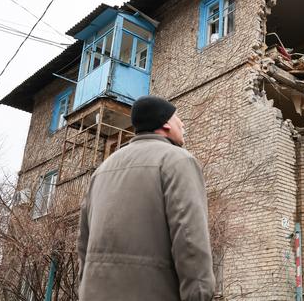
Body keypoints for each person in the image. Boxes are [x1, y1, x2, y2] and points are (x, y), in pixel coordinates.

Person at [77, 95, 215, 301]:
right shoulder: (177, 160)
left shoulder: (102, 169)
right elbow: (189, 238)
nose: (183, 124)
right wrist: (200, 295)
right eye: (178, 118)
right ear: (166, 123)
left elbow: (83, 243)